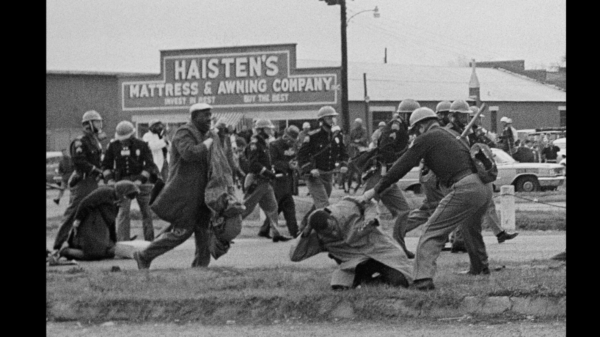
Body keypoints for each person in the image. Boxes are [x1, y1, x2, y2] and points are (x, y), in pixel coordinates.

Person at [366, 107, 493, 291]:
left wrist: (376, 190)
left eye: (415, 129)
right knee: (470, 228)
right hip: (484, 186)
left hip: (466, 186)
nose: (414, 134)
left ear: (422, 125)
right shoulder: (449, 133)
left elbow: (402, 165)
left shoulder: (426, 138)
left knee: (432, 231)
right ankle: (480, 268)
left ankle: (422, 279)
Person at [133, 103, 219, 270]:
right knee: (182, 232)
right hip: (185, 193)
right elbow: (189, 153)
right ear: (194, 117)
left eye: (210, 115)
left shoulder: (206, 134)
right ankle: (144, 255)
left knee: (204, 231)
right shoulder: (184, 133)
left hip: (202, 192)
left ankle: (200, 268)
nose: (209, 118)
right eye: (205, 115)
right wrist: (208, 142)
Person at [290, 195, 412, 290]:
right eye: (328, 233)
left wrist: (370, 220)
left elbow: (370, 202)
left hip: (379, 251)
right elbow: (296, 256)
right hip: (354, 264)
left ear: (331, 218)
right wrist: (305, 233)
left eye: (333, 228)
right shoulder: (316, 236)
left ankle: (371, 282)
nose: (333, 234)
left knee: (401, 281)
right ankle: (367, 282)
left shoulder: (346, 207)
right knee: (339, 287)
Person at [361, 99, 417, 258]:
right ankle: (358, 245)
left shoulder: (404, 128)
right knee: (366, 211)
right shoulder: (396, 126)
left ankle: (398, 247)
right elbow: (386, 148)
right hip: (381, 173)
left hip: (389, 176)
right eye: (412, 115)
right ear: (405, 115)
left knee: (403, 210)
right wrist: (396, 166)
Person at [52, 110, 106, 253]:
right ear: (88, 124)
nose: (100, 124)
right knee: (73, 212)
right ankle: (58, 244)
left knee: (92, 212)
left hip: (93, 182)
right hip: (82, 182)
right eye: (96, 121)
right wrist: (95, 170)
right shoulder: (79, 141)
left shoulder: (95, 140)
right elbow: (79, 161)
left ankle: (86, 243)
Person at [55, 181, 140, 261]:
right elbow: (85, 203)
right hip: (90, 225)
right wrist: (78, 220)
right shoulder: (105, 192)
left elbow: (111, 222)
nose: (127, 200)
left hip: (100, 228)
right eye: (126, 196)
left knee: (109, 253)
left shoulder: (116, 201)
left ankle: (76, 252)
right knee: (93, 254)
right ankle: (66, 251)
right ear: (121, 192)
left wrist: (114, 240)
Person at [102, 121, 156, 242]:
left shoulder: (142, 145)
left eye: (125, 139)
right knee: (123, 212)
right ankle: (123, 241)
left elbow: (149, 165)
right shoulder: (113, 146)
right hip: (122, 181)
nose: (123, 141)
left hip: (140, 181)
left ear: (132, 135)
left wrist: (140, 180)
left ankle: (150, 240)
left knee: (146, 211)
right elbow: (105, 165)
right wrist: (110, 180)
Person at [242, 118, 291, 242]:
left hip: (264, 181)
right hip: (256, 181)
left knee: (273, 207)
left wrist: (272, 171)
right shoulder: (255, 143)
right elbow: (253, 165)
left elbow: (265, 161)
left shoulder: (263, 143)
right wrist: (268, 172)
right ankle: (224, 232)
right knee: (246, 208)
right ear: (261, 130)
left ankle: (276, 234)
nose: (270, 130)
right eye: (268, 128)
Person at [298, 106, 349, 216]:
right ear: (322, 120)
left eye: (333, 118)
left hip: (328, 174)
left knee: (318, 205)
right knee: (323, 204)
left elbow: (344, 152)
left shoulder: (337, 135)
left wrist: (344, 164)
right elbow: (301, 155)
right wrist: (310, 169)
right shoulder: (313, 136)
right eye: (329, 118)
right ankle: (324, 231)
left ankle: (304, 229)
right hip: (314, 175)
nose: (332, 120)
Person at [259, 126, 301, 238]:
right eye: (290, 138)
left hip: (289, 179)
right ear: (285, 135)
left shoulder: (293, 146)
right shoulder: (274, 145)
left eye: (293, 140)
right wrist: (287, 165)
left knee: (282, 206)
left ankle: (266, 229)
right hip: (278, 179)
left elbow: (295, 157)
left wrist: (295, 164)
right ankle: (294, 230)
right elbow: (272, 162)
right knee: (282, 205)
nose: (290, 141)